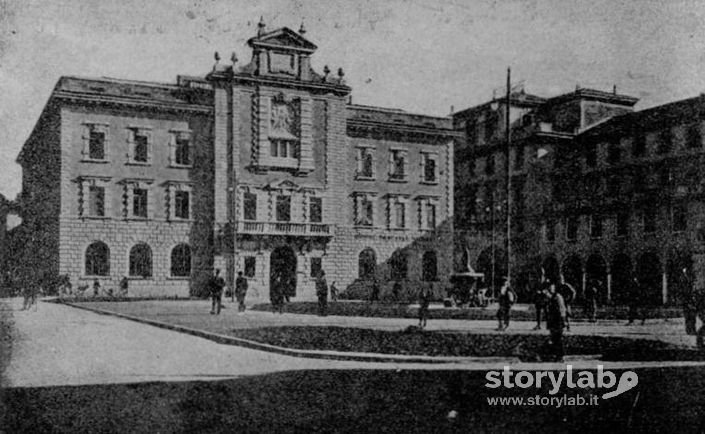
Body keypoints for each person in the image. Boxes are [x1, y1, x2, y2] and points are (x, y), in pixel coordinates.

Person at [546, 281, 567, 362]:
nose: (549, 289)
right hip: (553, 321)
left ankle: (560, 356)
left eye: (551, 287)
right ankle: (556, 355)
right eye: (548, 288)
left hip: (558, 321)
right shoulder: (551, 298)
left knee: (558, 339)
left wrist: (563, 320)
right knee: (554, 339)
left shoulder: (557, 297)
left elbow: (562, 309)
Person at [677, 267, 697, 335]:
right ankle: (689, 330)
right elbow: (681, 290)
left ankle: (692, 329)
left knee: (692, 315)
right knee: (688, 315)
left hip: (690, 299)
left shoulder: (690, 278)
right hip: (686, 300)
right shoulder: (682, 279)